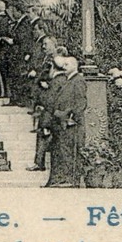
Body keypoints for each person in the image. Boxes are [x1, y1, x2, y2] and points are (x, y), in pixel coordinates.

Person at [45, 56, 87, 187]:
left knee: (69, 152)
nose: (64, 67)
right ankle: (61, 179)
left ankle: (70, 180)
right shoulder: (67, 80)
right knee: (61, 151)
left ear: (75, 66)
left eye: (67, 64)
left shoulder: (78, 80)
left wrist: (71, 117)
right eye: (64, 64)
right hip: (61, 122)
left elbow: (81, 102)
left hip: (70, 124)